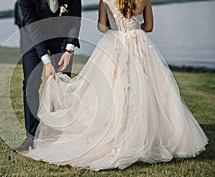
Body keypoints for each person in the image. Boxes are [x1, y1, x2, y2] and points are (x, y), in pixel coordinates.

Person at [23, 0, 209, 170]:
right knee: (147, 89)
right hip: (140, 45)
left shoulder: (106, 0)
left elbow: (102, 27)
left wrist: (115, 24)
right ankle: (146, 137)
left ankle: (115, 133)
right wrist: (136, 26)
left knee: (113, 90)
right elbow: (150, 27)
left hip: (114, 44)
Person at [13, 0, 82, 152]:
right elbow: (33, 26)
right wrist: (46, 61)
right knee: (30, 85)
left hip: (60, 37)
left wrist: (69, 50)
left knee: (63, 84)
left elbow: (75, 19)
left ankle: (63, 133)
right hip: (33, 37)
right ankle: (31, 136)